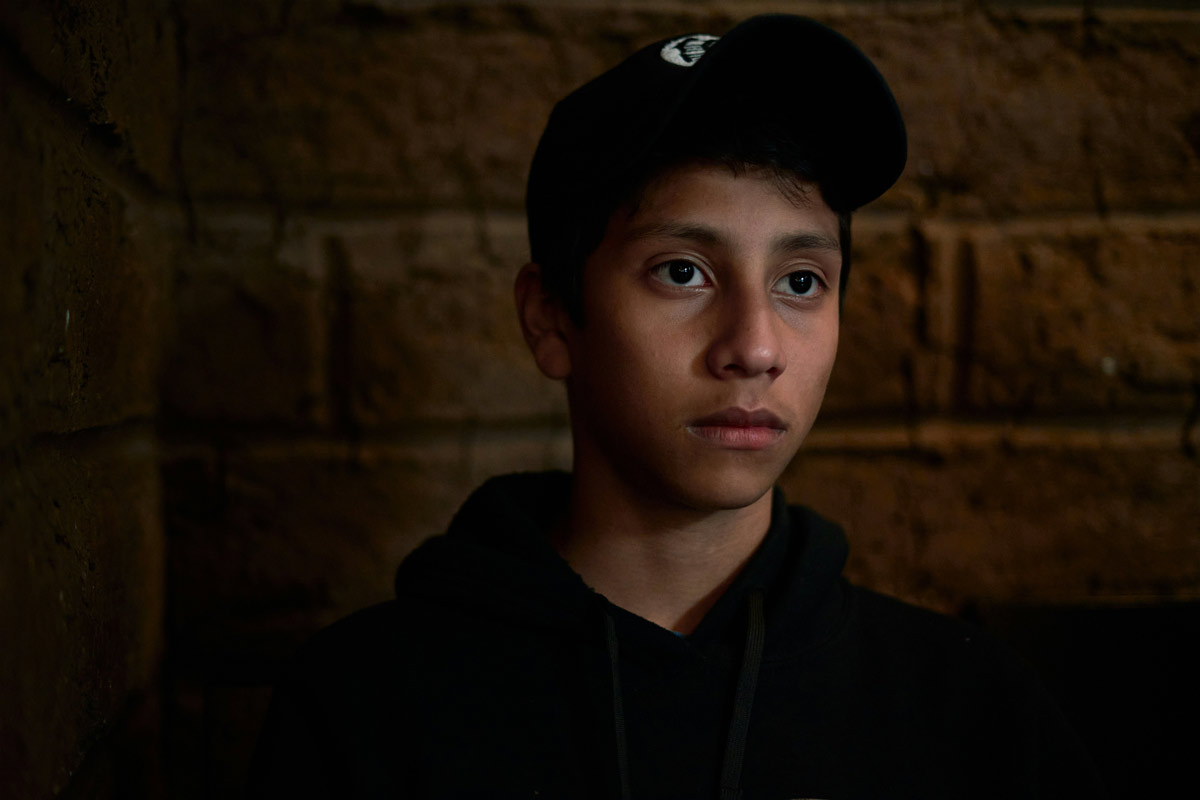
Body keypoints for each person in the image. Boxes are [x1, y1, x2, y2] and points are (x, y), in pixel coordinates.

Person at [249, 15, 1104, 799]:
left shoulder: (969, 710)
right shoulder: (364, 708)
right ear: (551, 319)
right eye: (682, 271)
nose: (756, 346)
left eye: (801, 282)